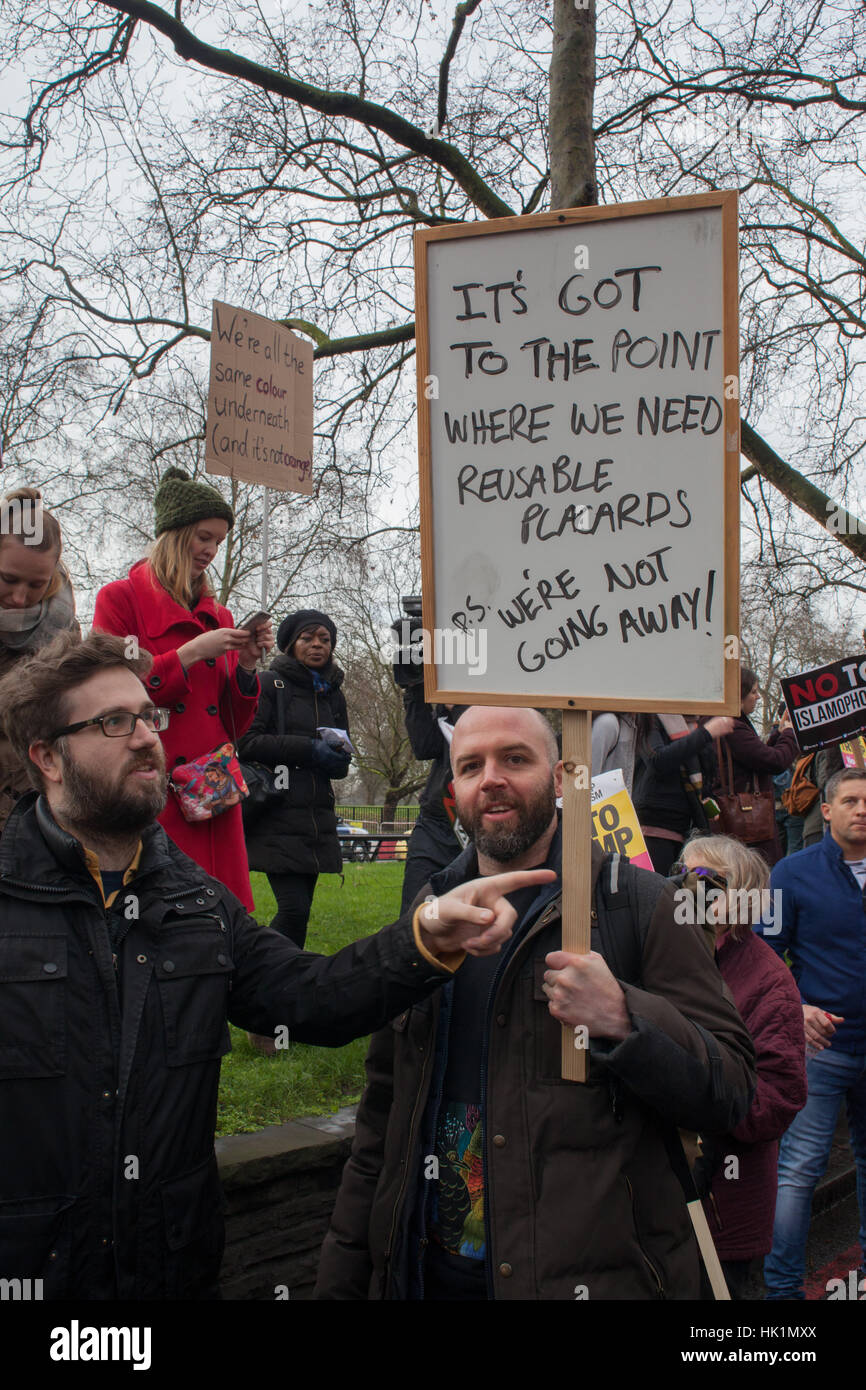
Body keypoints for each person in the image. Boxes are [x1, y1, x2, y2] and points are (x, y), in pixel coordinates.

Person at [0, 631, 551, 1300]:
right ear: (47, 757)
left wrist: (424, 938)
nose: (147, 737)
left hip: (171, 1270)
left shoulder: (198, 903)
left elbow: (311, 999)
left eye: (150, 716)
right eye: (114, 722)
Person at [314, 705, 756, 1301]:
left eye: (514, 759)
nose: (490, 777)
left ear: (559, 779)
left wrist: (628, 1020)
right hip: (427, 1281)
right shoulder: (430, 912)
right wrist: (341, 1280)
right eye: (471, 765)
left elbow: (731, 1089)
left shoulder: (644, 906)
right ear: (455, 789)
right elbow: (381, 1121)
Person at [93, 467, 272, 909]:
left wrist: (247, 667)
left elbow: (233, 723)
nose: (211, 551)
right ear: (174, 534)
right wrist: (190, 653)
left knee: (218, 914)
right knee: (154, 913)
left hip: (212, 791)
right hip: (148, 784)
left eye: (218, 541)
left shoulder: (223, 617)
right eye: (203, 537)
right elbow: (107, 694)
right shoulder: (119, 600)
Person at [674, 835, 807, 1300]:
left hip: (723, 1208)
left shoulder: (770, 980)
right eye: (683, 876)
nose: (692, 889)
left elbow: (779, 1098)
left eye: (710, 881)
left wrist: (695, 1088)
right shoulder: (662, 956)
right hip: (652, 1206)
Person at [759, 767, 866, 1300]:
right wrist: (797, 1008)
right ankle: (780, 1292)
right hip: (823, 1050)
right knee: (799, 1170)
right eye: (849, 800)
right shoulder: (792, 873)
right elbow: (765, 953)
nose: (861, 809)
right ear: (825, 810)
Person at [239, 609, 351, 949]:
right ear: (290, 643)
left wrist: (338, 757)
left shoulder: (333, 693)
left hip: (315, 817)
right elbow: (248, 742)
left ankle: (287, 976)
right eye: (307, 638)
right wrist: (309, 749)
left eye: (325, 639)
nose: (317, 645)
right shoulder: (270, 684)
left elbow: (342, 760)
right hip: (279, 811)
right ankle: (266, 972)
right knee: (293, 908)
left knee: (301, 911)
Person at [0, 487, 79, 832]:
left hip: (33, 810)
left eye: (37, 585)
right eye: (8, 579)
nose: (19, 598)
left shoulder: (65, 632)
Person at [633, 712, 734, 875]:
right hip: (654, 827)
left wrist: (707, 798)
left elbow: (700, 773)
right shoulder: (650, 716)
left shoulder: (694, 725)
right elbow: (657, 760)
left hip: (685, 828)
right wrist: (706, 733)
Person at [717, 668, 798, 866]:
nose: (758, 697)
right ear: (740, 695)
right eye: (753, 692)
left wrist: (778, 735)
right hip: (746, 819)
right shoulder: (734, 726)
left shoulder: (734, 724)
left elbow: (756, 759)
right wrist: (789, 735)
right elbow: (773, 761)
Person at [398, 684, 468, 914]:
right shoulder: (445, 695)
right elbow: (424, 747)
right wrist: (415, 692)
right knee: (416, 911)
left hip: (482, 823)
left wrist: (459, 708)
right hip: (436, 819)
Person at [591, 711, 638, 792]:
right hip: (598, 801)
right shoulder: (607, 723)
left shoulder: (630, 721)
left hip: (614, 802)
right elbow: (587, 781)